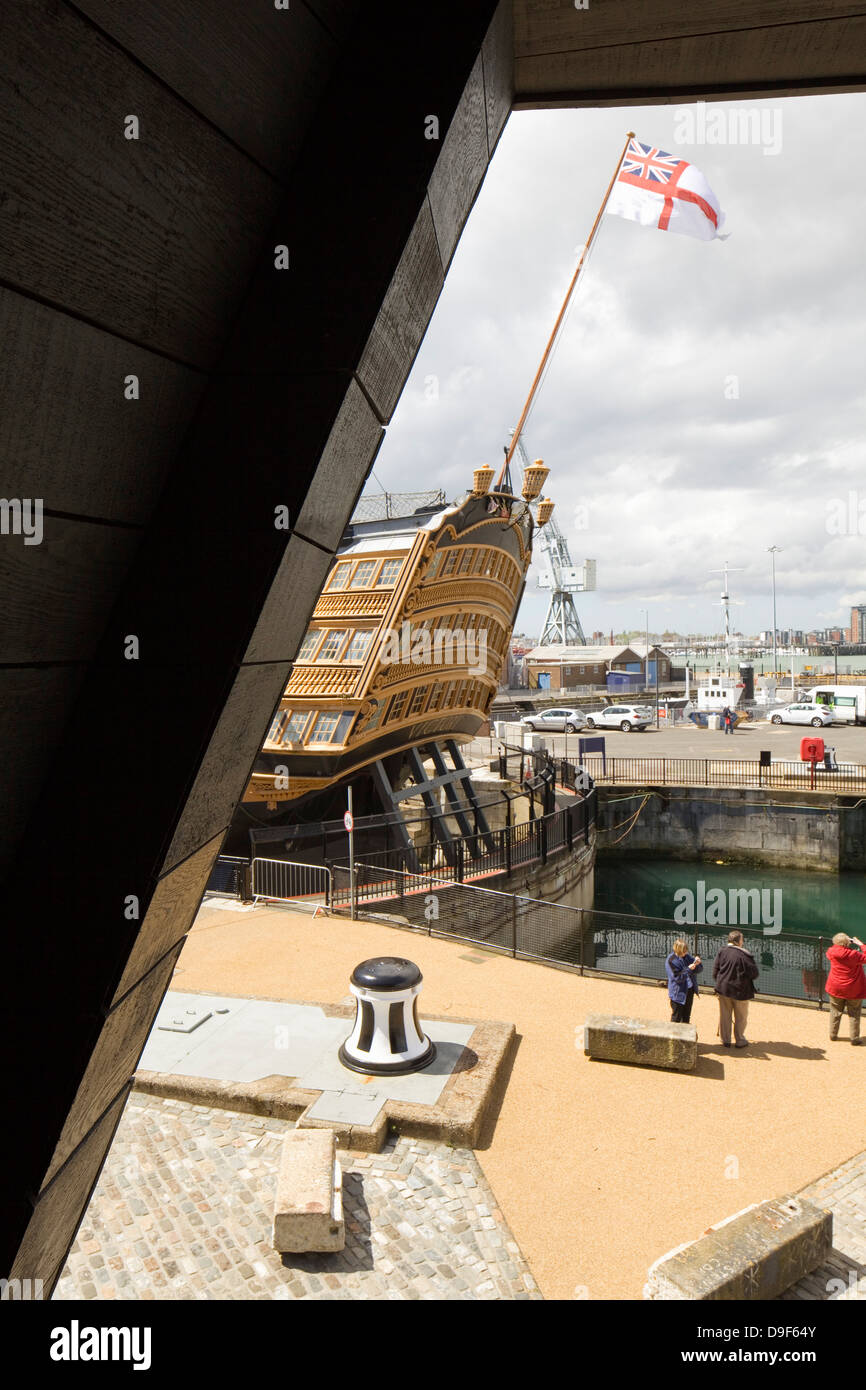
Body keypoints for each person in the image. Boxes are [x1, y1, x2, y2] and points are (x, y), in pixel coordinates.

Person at [712, 929, 759, 1047]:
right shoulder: (745, 955)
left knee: (725, 1015)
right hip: (740, 991)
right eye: (742, 940)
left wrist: (720, 983)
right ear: (738, 941)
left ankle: (725, 1040)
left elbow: (715, 972)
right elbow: (754, 974)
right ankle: (740, 1040)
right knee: (741, 1017)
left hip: (723, 989)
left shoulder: (722, 951)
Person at [824, 932, 866, 1045]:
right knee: (854, 1014)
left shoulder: (831, 952)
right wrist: (861, 944)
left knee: (835, 1012)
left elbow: (834, 949)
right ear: (848, 943)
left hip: (835, 988)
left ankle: (833, 1035)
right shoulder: (854, 955)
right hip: (853, 989)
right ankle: (854, 1038)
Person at [665, 939, 702, 1024]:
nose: (685, 953)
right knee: (676, 1018)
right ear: (678, 950)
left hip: (689, 990)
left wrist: (698, 964)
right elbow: (677, 978)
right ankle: (673, 1033)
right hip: (678, 993)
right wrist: (689, 969)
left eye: (686, 951)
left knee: (686, 1017)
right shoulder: (671, 960)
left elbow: (699, 969)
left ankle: (685, 1033)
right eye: (683, 951)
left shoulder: (687, 956)